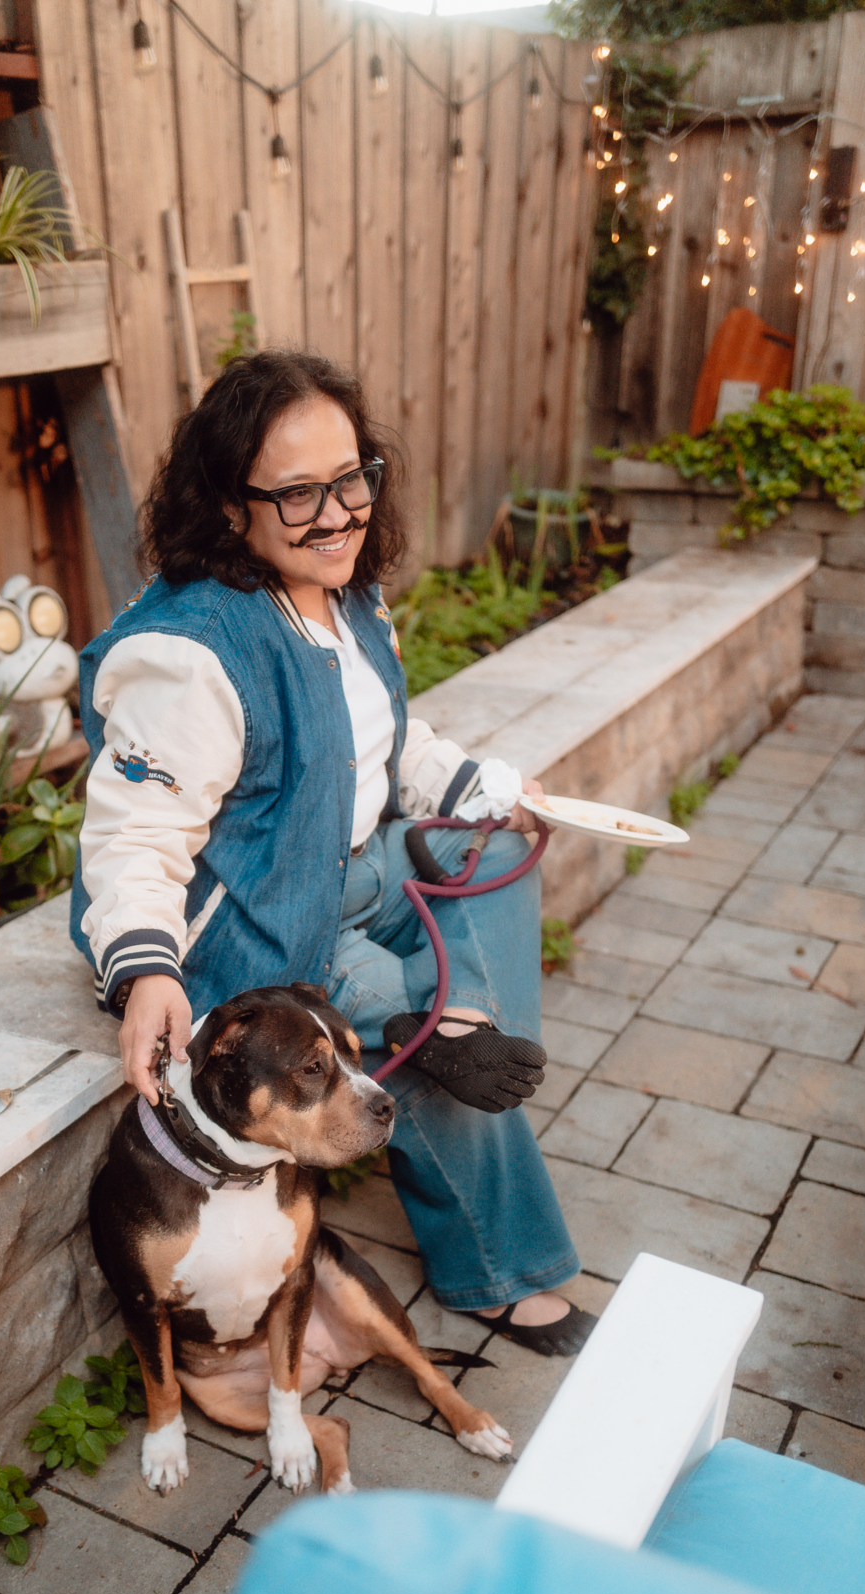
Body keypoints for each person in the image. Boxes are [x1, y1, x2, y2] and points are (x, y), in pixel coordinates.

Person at [70, 350, 594, 1356]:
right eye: (297, 493)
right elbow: (134, 832)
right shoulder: (191, 653)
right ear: (231, 505)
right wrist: (143, 967)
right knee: (413, 1025)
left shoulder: (344, 592)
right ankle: (498, 1267)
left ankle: (462, 1029)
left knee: (486, 851)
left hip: (348, 863)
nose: (337, 513)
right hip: (260, 917)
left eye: (350, 479)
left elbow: (381, 740)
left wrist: (485, 792)